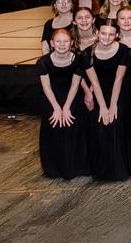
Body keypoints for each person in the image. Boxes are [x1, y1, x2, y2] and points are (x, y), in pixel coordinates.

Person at [82, 19, 131, 180]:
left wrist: (113, 106)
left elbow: (119, 79)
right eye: (103, 33)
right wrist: (103, 107)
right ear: (97, 33)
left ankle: (121, 168)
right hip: (100, 88)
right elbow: (94, 82)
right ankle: (101, 168)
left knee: (116, 121)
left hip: (121, 88)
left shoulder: (123, 50)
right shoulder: (87, 53)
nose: (106, 37)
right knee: (100, 123)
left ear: (117, 35)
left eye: (111, 34)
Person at [36, 29, 90, 179]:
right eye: (58, 41)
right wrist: (56, 108)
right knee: (54, 127)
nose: (62, 44)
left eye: (65, 41)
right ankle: (54, 167)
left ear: (71, 43)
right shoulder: (43, 62)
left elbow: (75, 85)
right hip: (51, 98)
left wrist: (66, 107)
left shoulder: (78, 60)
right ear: (52, 43)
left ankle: (75, 165)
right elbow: (46, 87)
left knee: (71, 126)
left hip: (72, 97)